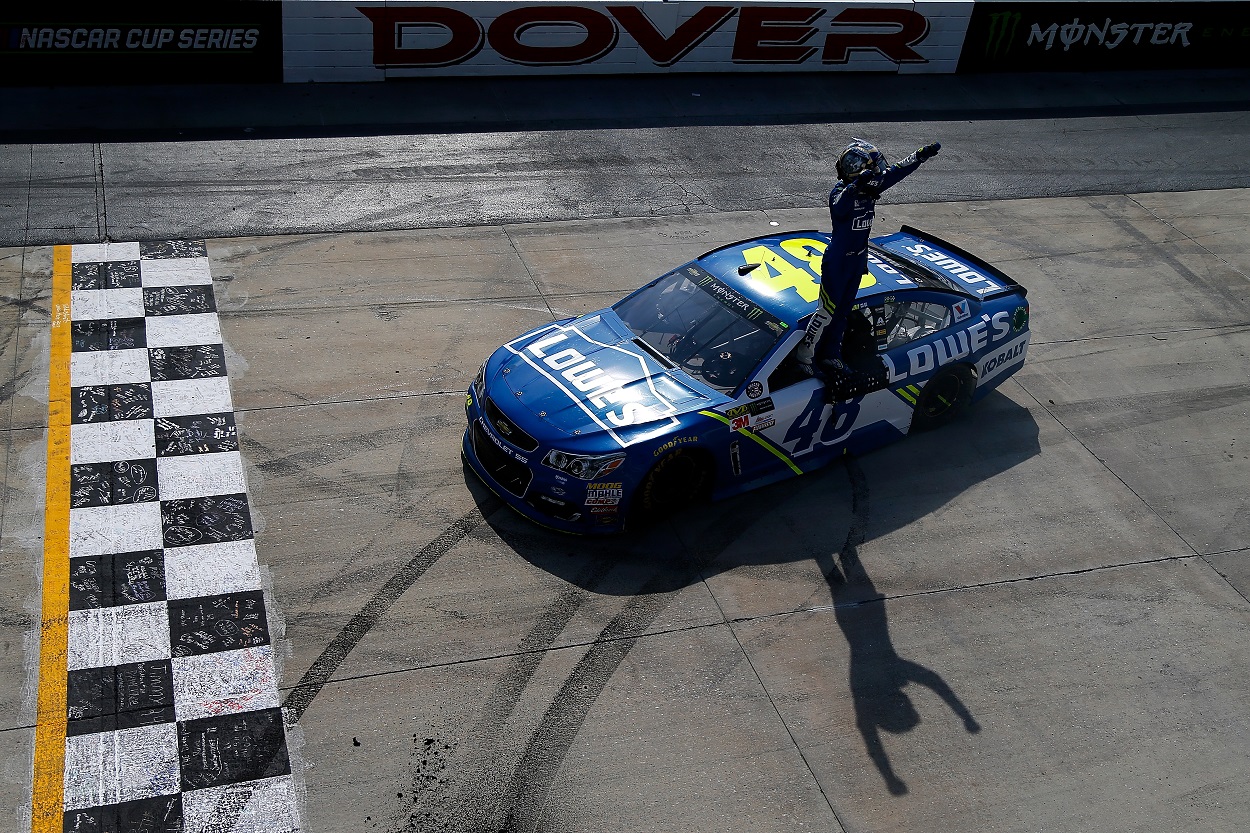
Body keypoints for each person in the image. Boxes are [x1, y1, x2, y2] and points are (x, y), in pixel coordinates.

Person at [797, 138, 942, 379]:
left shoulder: (871, 187)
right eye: (874, 167)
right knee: (827, 311)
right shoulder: (840, 192)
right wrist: (856, 187)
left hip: (857, 260)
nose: (879, 172)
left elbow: (897, 171)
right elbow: (841, 206)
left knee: (843, 311)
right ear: (858, 169)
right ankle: (804, 356)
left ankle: (831, 354)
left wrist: (920, 155)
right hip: (838, 261)